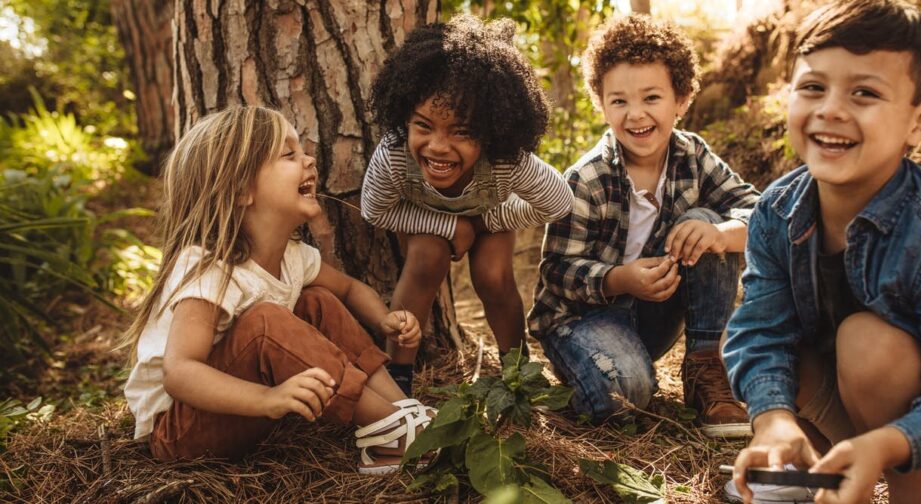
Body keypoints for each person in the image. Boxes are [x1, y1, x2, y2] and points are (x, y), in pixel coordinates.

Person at [723, 1, 921, 503]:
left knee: (868, 343)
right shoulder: (777, 210)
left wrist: (886, 444)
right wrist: (772, 420)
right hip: (853, 411)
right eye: (814, 87)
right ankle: (818, 479)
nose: (831, 110)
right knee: (774, 342)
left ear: (920, 123)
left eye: (864, 92)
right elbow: (760, 329)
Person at [119, 106, 433, 474]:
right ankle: (393, 433)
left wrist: (384, 320)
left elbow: (347, 289)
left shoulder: (294, 257)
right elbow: (180, 372)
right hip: (181, 429)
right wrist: (268, 399)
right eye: (289, 154)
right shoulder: (209, 268)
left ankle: (399, 412)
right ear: (240, 189)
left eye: (301, 151)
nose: (309, 160)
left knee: (317, 301)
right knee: (267, 321)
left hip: (238, 408)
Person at [527, 14, 760, 436]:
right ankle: (597, 376)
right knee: (627, 395)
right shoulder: (587, 178)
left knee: (705, 223)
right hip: (582, 321)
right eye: (619, 101)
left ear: (682, 99)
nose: (636, 115)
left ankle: (705, 366)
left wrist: (722, 234)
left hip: (654, 315)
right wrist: (619, 279)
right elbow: (556, 271)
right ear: (601, 105)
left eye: (651, 97)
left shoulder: (693, 156)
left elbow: (762, 213)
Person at [361, 14, 573, 394]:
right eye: (423, 126)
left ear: (491, 132)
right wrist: (448, 226)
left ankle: (517, 376)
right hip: (424, 220)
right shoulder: (394, 154)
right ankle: (397, 384)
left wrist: (488, 220)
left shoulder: (507, 161)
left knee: (493, 276)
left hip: (488, 215)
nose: (438, 146)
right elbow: (374, 210)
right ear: (405, 117)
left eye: (461, 132)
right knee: (426, 258)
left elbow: (557, 201)